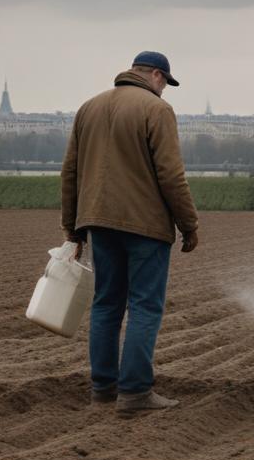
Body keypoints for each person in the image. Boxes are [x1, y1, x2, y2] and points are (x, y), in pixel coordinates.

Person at [60, 51, 200, 415]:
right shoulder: (156, 110)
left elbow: (70, 172)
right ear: (156, 75)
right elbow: (171, 175)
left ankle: (103, 388)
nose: (165, 90)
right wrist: (189, 225)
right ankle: (136, 392)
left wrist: (73, 229)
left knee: (106, 304)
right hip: (145, 226)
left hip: (98, 223)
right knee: (144, 307)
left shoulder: (89, 108)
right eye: (166, 83)